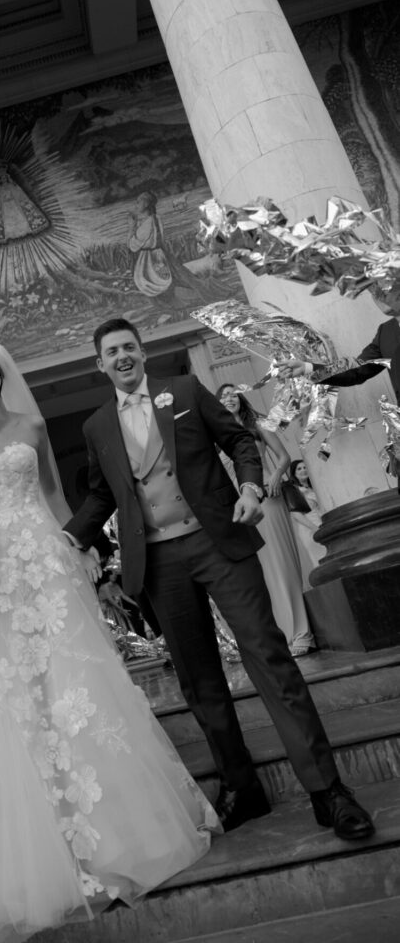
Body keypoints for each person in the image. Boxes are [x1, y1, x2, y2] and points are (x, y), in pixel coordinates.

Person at [0, 342, 219, 943]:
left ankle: (111, 820)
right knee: (11, 683)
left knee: (71, 673)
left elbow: (52, 495)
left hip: (43, 556)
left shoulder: (33, 427)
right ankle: (42, 826)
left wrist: (78, 550)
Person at [64, 317, 374, 843]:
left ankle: (328, 791)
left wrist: (250, 488)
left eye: (129, 347)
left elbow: (240, 441)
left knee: (268, 655)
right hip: (158, 563)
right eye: (111, 351)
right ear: (100, 364)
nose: (122, 356)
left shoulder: (185, 390)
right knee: (199, 679)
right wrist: (70, 537)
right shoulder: (96, 427)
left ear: (142, 352)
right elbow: (101, 493)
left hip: (218, 541)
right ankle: (241, 787)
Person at [216, 385, 314, 657]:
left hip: (268, 498)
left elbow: (283, 457)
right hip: (241, 511)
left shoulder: (258, 424)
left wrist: (275, 476)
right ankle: (281, 635)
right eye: (223, 397)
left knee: (282, 565)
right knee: (264, 574)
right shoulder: (217, 435)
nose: (229, 398)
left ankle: (301, 633)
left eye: (232, 394)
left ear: (240, 398)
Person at [288, 459, 326, 590]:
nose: (303, 470)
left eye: (305, 467)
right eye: (299, 469)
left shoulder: (312, 488)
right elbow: (296, 515)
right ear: (294, 474)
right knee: (319, 560)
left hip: (322, 525)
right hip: (309, 529)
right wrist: (314, 528)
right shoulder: (295, 491)